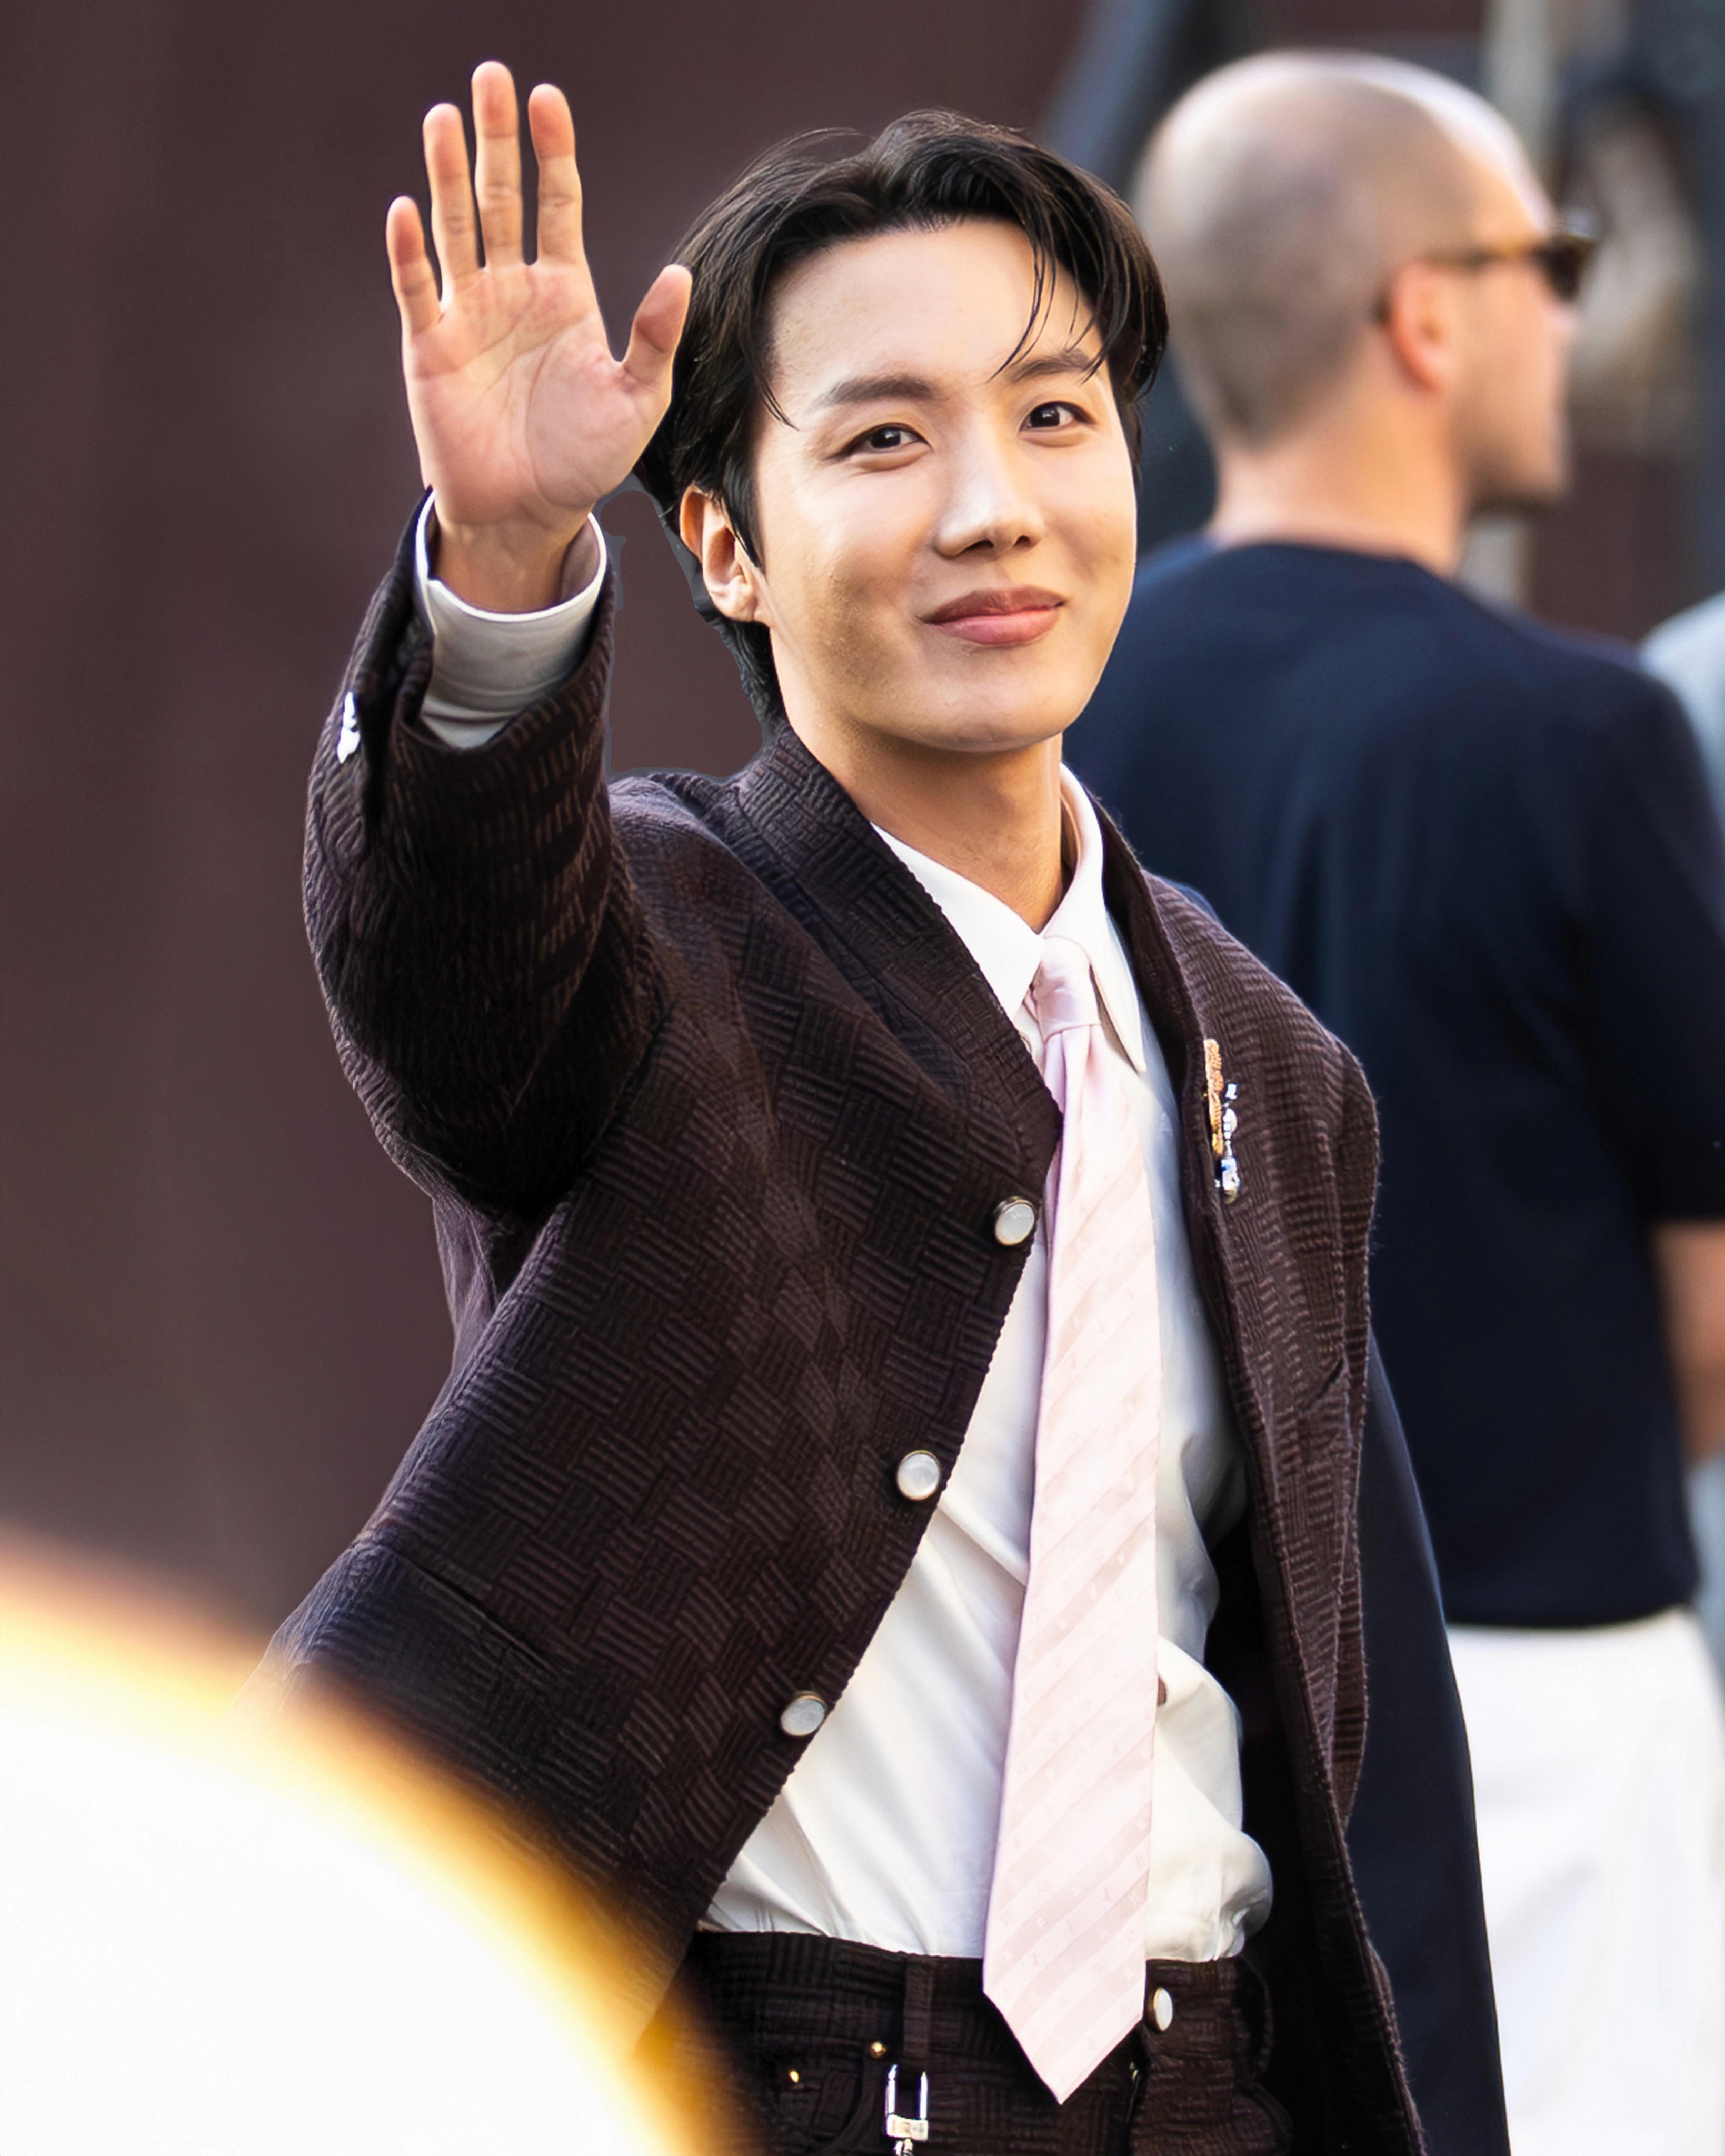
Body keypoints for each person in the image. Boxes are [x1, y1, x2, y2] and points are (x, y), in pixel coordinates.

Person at [258, 63, 1503, 2153]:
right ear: (730, 546)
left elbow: (1356, 1743)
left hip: (1210, 2088)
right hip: (781, 2082)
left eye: (1051, 414)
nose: (990, 504)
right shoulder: (655, 935)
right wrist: (502, 553)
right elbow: (451, 967)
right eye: (884, 436)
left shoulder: (1267, 1066)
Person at [1071, 51, 1725, 2156]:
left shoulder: (1063, 728)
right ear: (1425, 317)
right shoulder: (1593, 738)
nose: (1576, 307)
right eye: (1545, 257)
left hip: (1172, 1712)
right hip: (1547, 1714)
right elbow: (1710, 1314)